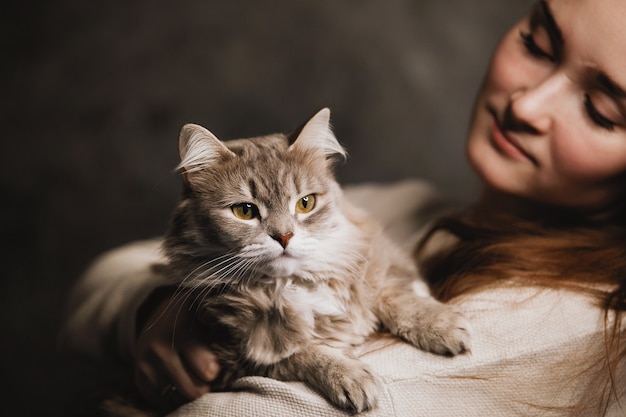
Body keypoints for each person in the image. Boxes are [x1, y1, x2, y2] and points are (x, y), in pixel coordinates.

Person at [59, 0, 626, 415]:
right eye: (537, 44)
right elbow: (95, 285)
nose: (528, 105)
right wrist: (157, 311)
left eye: (601, 110)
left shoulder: (571, 324)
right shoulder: (399, 205)